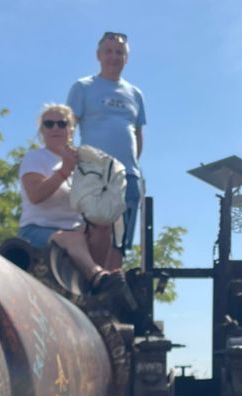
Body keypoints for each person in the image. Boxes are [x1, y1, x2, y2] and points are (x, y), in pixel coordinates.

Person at [17, 102, 125, 298]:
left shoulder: (84, 161)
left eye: (62, 123)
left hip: (77, 230)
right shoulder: (35, 158)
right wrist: (64, 172)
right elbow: (35, 196)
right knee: (73, 238)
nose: (55, 128)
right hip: (37, 229)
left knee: (103, 228)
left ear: (71, 130)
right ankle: (96, 276)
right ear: (42, 130)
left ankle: (95, 291)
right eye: (49, 124)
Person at [67, 32, 146, 265]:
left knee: (120, 242)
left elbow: (138, 133)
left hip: (128, 175)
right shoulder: (83, 87)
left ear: (126, 58)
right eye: (109, 51)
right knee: (91, 234)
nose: (114, 57)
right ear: (98, 55)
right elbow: (68, 127)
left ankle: (112, 283)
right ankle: (90, 281)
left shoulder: (135, 94)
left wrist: (130, 164)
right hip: (94, 173)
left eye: (119, 52)